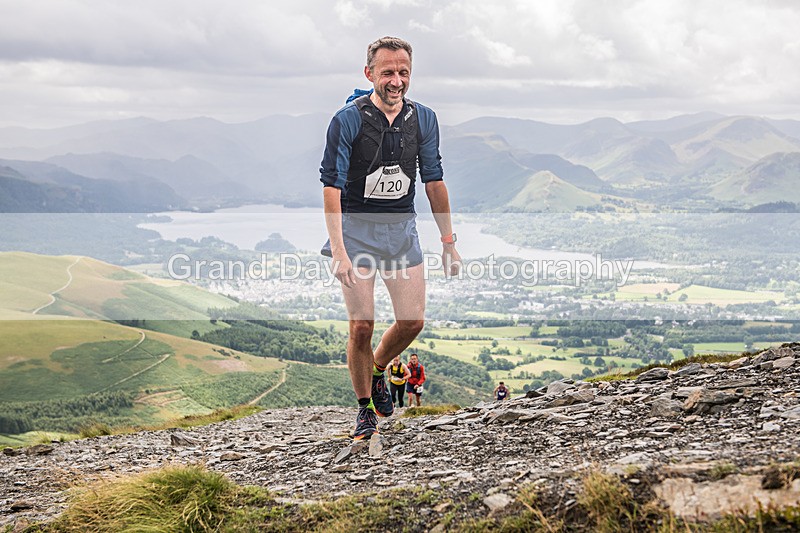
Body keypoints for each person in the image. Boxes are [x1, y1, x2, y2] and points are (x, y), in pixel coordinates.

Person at [319, 37, 460, 440]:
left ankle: (379, 368)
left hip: (400, 231)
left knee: (412, 321)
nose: (396, 81)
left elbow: (433, 180)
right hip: (356, 232)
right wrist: (340, 252)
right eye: (387, 73)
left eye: (403, 73)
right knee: (361, 326)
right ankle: (364, 409)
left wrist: (448, 241)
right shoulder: (347, 120)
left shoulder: (425, 119)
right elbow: (330, 188)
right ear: (369, 74)